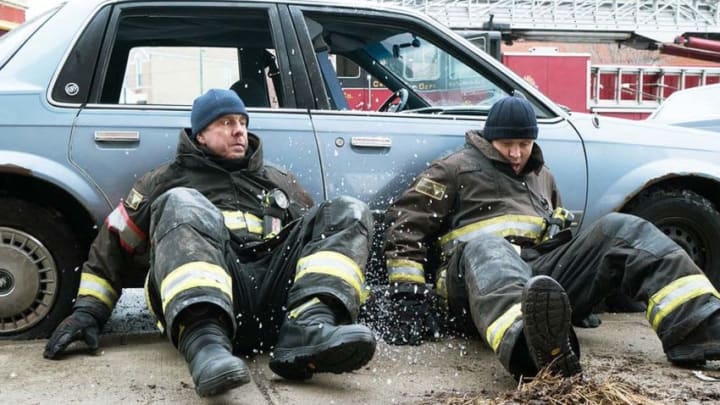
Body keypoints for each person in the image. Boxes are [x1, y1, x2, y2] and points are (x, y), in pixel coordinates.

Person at [43, 89, 376, 397]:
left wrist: (346, 302)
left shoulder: (278, 181)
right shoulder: (166, 181)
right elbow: (114, 244)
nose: (239, 131)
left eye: (243, 122)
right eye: (226, 123)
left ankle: (309, 329)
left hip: (273, 304)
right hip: (214, 304)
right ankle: (205, 346)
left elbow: (318, 242)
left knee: (347, 210)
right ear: (200, 134)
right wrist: (89, 311)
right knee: (182, 202)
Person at [382, 95, 720, 379]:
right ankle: (528, 347)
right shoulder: (453, 169)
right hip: (471, 284)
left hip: (535, 273)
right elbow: (406, 225)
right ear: (488, 140)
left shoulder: (543, 177)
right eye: (507, 144)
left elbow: (558, 233)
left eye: (524, 144)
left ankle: (698, 327)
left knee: (623, 228)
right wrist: (406, 293)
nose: (516, 154)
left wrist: (585, 285)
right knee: (489, 245)